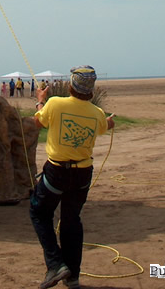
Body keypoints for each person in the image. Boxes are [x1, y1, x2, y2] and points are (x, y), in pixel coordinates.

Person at [30, 65, 115, 289]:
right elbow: (102, 127)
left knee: (39, 213)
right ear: (91, 90)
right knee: (71, 220)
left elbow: (38, 121)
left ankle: (56, 265)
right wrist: (109, 122)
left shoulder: (55, 104)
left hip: (58, 172)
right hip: (82, 175)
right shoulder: (97, 113)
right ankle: (72, 276)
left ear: (70, 86)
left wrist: (40, 100)